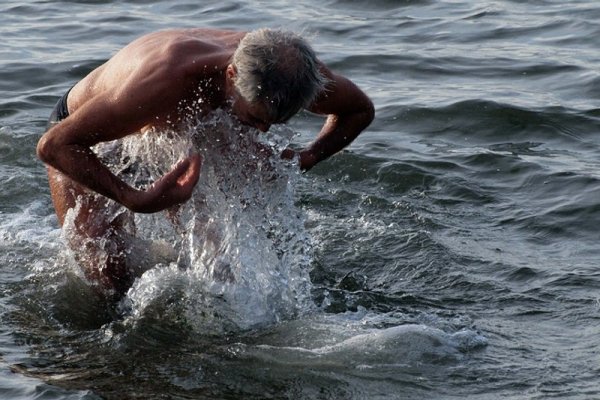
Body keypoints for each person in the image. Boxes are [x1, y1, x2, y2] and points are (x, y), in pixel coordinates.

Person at [36, 28, 374, 297]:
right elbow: (54, 145)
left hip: (178, 132)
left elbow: (359, 110)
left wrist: (308, 157)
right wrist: (134, 199)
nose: (264, 131)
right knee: (109, 279)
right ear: (231, 75)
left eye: (275, 123)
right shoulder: (169, 78)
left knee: (219, 267)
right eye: (255, 118)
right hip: (87, 137)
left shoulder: (296, 73)